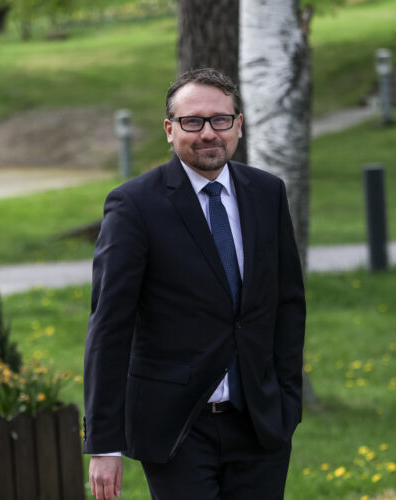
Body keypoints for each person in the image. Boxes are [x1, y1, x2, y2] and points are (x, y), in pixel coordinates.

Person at [83, 67, 306, 500]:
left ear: (238, 125)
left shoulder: (267, 193)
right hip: (176, 430)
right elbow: (109, 326)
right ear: (170, 130)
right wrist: (104, 442)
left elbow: (288, 304)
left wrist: (286, 401)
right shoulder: (134, 206)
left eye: (220, 120)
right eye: (193, 122)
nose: (209, 133)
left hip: (259, 425)